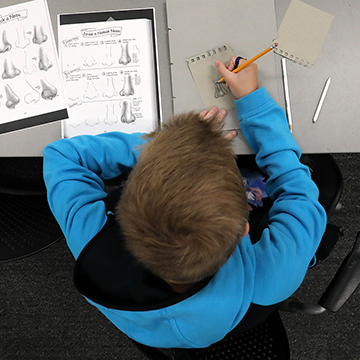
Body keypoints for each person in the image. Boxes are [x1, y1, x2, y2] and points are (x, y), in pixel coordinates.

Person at [43, 58, 327, 349]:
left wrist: (163, 149)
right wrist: (253, 103)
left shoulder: (91, 241)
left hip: (148, 323)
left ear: (126, 207)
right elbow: (298, 188)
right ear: (243, 228)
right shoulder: (277, 270)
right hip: (231, 314)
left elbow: (62, 156)